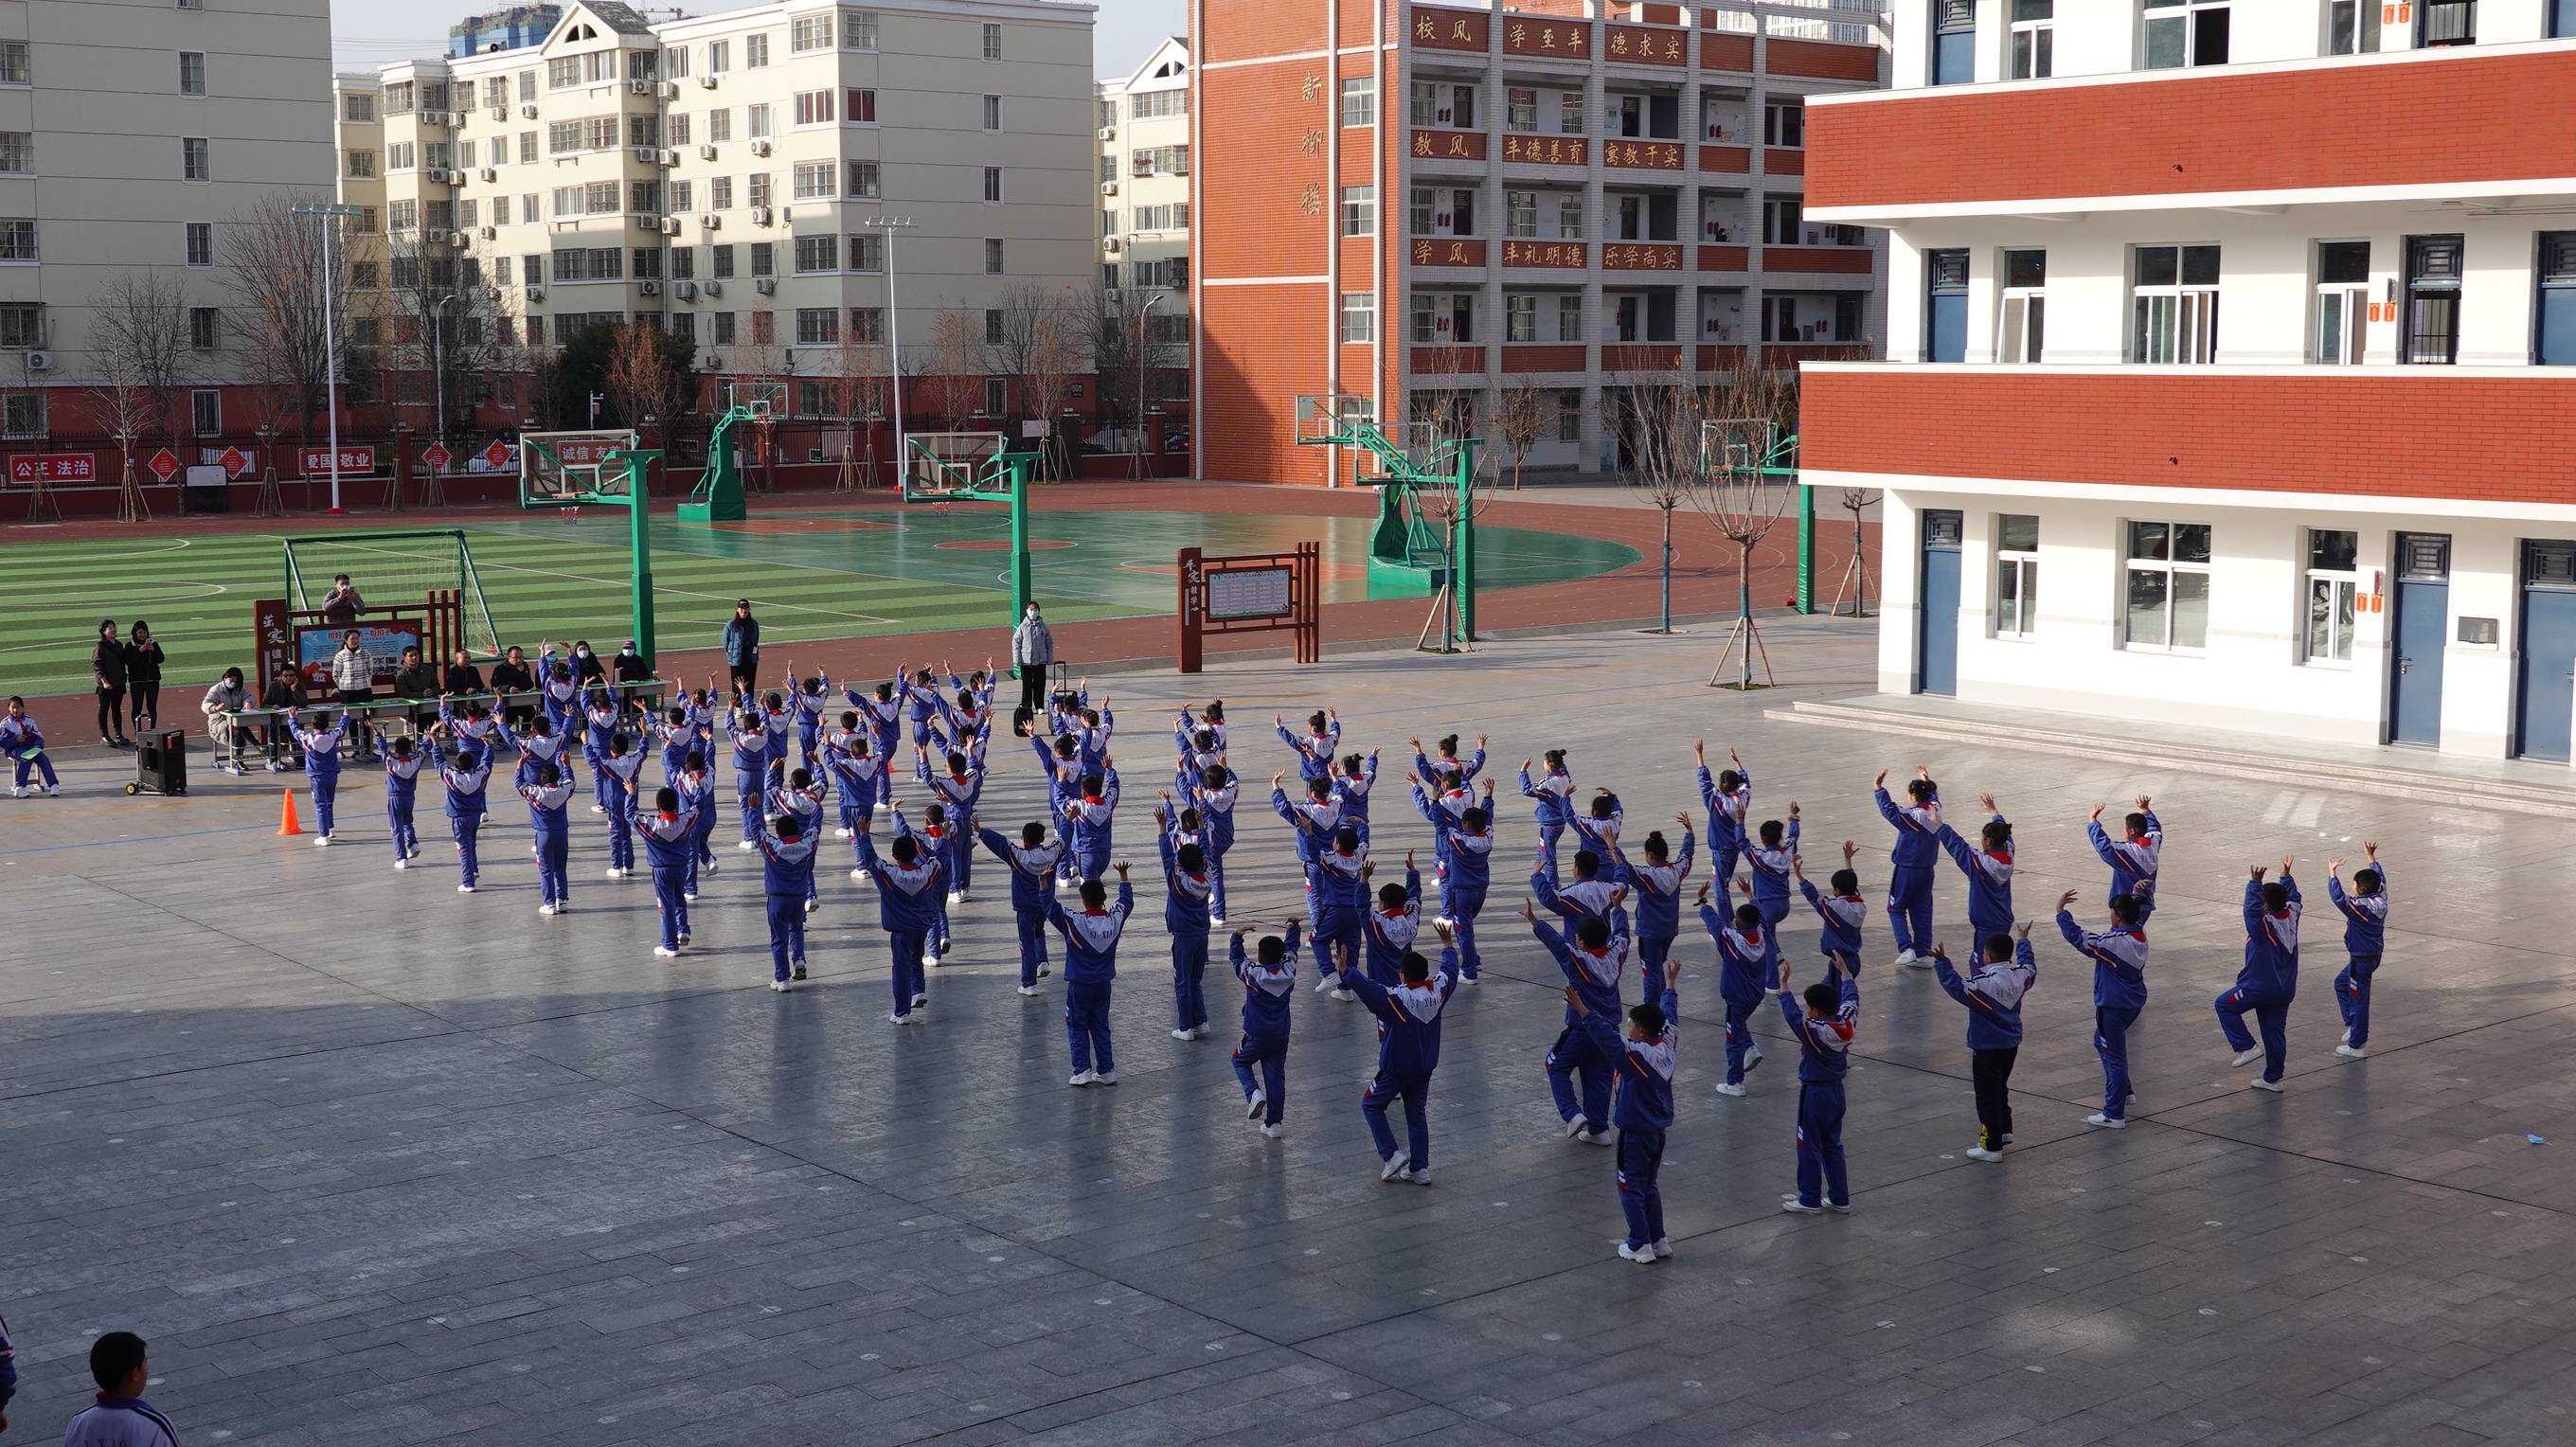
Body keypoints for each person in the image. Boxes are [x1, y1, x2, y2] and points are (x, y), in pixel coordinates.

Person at [1572, 956, 1680, 1263]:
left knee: (1629, 1185)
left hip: (1634, 1131)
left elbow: (1609, 1041)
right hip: (1658, 1130)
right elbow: (1670, 1015)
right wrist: (1670, 986)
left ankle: (1639, 1243)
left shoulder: (1637, 1056)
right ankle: (1659, 1239)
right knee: (1649, 1184)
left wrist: (1582, 1010)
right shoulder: (1668, 1042)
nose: (1627, 1029)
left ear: (1642, 1032)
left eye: (1631, 1026)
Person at [1339, 928, 1462, 1185]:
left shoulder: (1398, 997)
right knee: (1416, 1114)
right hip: (1425, 1065)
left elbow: (1368, 988)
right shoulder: (1437, 992)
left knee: (1371, 1106)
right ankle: (1420, 1168)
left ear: (1403, 975)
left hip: (1396, 1067)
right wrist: (1447, 944)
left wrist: (1346, 971)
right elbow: (1450, 971)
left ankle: (1391, 1154)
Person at [1932, 929, 2037, 1161]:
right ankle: (2004, 1130)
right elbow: (2030, 966)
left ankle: (1991, 1146)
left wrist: (1942, 962)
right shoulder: (2021, 975)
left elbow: (1957, 987)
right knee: (1999, 1086)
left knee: (1986, 1095)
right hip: (2011, 1043)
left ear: (1987, 957)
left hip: (1987, 1046)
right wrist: (2024, 941)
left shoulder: (1983, 984)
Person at [1529, 899, 1627, 1146]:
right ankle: (1599, 1129)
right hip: (1610, 1030)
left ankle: (1572, 1114)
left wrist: (1536, 922)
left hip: (1582, 1029)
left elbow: (1557, 945)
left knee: (1555, 1065)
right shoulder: (1616, 954)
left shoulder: (1578, 960)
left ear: (1581, 941)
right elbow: (1623, 934)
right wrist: (1618, 908)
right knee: (1598, 1077)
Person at [2056, 888, 2148, 1129]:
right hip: (2131, 1003)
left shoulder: (2115, 943)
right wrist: (2139, 892)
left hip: (2112, 1006)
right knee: (2102, 1041)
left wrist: (2061, 913)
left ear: (2118, 915)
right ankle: (2124, 1091)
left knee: (2115, 1056)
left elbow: (2082, 939)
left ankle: (2113, 1113)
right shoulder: (2139, 936)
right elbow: (2142, 909)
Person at [1777, 954, 1859, 1216]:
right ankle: (1839, 1197)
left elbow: (1792, 1017)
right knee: (1832, 1144)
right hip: (1836, 1092)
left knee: (1808, 1144)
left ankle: (1810, 1198)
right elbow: (1852, 1000)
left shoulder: (1813, 1029)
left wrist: (1784, 987)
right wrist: (1846, 974)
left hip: (1815, 1094)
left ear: (1815, 1010)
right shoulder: (1845, 1022)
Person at [2219, 857, 2304, 1091]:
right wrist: (2286, 877)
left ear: (2265, 905)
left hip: (2258, 986)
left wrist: (2254, 884)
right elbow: (2294, 898)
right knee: (2274, 1032)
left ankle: (2245, 1046)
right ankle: (2272, 1078)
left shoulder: (2263, 927)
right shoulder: (2292, 916)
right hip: (2284, 988)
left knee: (2224, 1005)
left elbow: (2250, 912)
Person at [1048, 865, 1135, 1085]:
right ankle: (1106, 1070)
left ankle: (1082, 1070)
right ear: (1105, 898)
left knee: (1077, 1025)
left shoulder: (1076, 922)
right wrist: (1123, 877)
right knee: (1100, 1025)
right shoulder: (1114, 921)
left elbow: (1051, 909)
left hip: (1079, 985)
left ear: (1084, 901)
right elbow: (1126, 903)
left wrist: (1043, 884)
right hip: (1103, 983)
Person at [855, 813, 945, 1019]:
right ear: (916, 854)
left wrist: (864, 835)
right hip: (921, 926)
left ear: (895, 857)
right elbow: (941, 858)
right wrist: (945, 839)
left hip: (901, 930)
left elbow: (871, 859)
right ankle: (918, 991)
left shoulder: (890, 874)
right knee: (916, 958)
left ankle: (901, 1012)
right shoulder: (927, 872)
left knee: (901, 968)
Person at [1703, 880, 1775, 1098]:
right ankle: (1751, 1048)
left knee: (1732, 1038)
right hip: (1755, 993)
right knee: (1738, 1021)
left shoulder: (1732, 939)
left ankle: (1735, 1082)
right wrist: (1749, 894)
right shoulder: (1761, 935)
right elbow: (1760, 915)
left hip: (1737, 996)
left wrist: (1703, 903)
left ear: (1739, 922)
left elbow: (1714, 924)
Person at [1229, 921, 1301, 1137]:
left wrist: (1236, 937)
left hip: (1256, 1034)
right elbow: (1291, 951)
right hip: (1280, 1034)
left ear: (1260, 956)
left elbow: (1237, 961)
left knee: (1239, 1060)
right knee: (1276, 1077)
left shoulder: (1254, 975)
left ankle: (1253, 1094)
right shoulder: (1289, 970)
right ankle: (1274, 1124)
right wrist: (1293, 928)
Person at [978, 816, 1064, 995]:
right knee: (1039, 932)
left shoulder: (1020, 856)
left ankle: (1029, 983)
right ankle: (1043, 961)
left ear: (1024, 840)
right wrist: (1068, 821)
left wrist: (981, 831)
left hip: (1025, 907)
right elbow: (1063, 840)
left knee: (1027, 943)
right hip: (1045, 904)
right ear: (1042, 839)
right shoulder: (1051, 854)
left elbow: (1001, 843)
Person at [1154, 801, 1216, 1039]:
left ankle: (1185, 1027)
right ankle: (1201, 1021)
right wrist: (1200, 826)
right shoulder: (1207, 875)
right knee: (1195, 980)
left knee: (1182, 981)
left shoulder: (1176, 880)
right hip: (1202, 932)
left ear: (1181, 863)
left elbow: (1166, 855)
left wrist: (1162, 828)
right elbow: (1206, 851)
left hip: (1183, 934)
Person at [1872, 765, 1942, 966]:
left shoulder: (1911, 816)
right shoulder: (1936, 810)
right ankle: (1924, 952)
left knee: (1896, 908)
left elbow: (1890, 811)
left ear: (1913, 795)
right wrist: (1925, 779)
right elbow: (1934, 797)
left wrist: (1879, 788)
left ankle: (1906, 948)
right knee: (1922, 910)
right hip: (1928, 868)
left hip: (1907, 867)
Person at [61, 1331, 179, 1447]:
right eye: (145, 1364)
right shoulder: (154, 1425)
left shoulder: (79, 1422)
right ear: (134, 1374)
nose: (147, 1370)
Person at [1619, 819, 1695, 997]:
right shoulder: (1677, 871)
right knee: (1657, 965)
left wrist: (1613, 847)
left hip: (1649, 931)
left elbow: (1625, 867)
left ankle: (1653, 1009)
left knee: (1650, 971)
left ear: (1650, 855)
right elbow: (1687, 855)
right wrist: (1689, 834)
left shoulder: (1648, 875)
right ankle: (1662, 998)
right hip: (1669, 929)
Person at [2328, 845, 2388, 1060]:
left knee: (2359, 999)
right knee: (2340, 983)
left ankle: (2357, 1044)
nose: (2351, 887)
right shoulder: (2381, 899)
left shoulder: (2359, 908)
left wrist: (2332, 875)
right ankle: (2352, 1025)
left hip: (2361, 958)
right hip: (2371, 955)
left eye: (2353, 884)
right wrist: (2372, 859)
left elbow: (2339, 899)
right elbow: (2381, 879)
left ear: (2360, 890)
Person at [1936, 793, 2015, 944]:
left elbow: (1958, 846)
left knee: (1983, 964)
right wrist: (1994, 812)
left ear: (1988, 841)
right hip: (2003, 918)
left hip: (1986, 924)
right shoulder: (2009, 853)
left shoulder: (1981, 863)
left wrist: (1939, 825)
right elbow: (2005, 833)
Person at [754, 809, 818, 991]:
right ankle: (798, 958)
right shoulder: (807, 846)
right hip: (799, 897)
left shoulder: (773, 847)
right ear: (797, 831)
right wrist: (816, 806)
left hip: (777, 898)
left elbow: (756, 830)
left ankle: (782, 978)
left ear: (778, 833)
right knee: (796, 928)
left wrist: (754, 809)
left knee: (778, 938)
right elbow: (815, 827)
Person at [640, 786, 698, 956]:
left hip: (661, 869)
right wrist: (699, 790)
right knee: (680, 898)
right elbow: (696, 808)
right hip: (681, 868)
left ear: (657, 805)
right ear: (676, 804)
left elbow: (630, 815)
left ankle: (670, 944)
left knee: (665, 906)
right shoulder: (685, 821)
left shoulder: (652, 824)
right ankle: (683, 930)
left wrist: (630, 794)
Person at [2088, 795, 2163, 922]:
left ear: (2131, 831)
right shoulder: (2153, 842)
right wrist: (2145, 810)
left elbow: (2104, 846)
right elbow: (2155, 828)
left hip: (2126, 907)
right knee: (2136, 935)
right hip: (2146, 903)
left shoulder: (2126, 851)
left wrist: (2093, 821)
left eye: (2125, 828)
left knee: (2124, 937)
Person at [1693, 740, 1752, 893]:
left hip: (1720, 848)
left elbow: (1704, 781)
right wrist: (1737, 761)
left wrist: (1699, 754)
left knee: (1719, 886)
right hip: (1735, 846)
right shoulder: (1743, 798)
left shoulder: (1716, 801)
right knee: (1724, 881)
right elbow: (1745, 781)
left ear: (1721, 784)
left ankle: (1725, 916)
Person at [520, 760, 574, 914]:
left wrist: (520, 766)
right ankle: (562, 900)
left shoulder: (537, 792)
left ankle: (549, 902)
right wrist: (567, 765)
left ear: (542, 778)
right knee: (560, 868)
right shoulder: (564, 790)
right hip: (562, 832)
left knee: (546, 869)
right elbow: (570, 780)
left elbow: (520, 784)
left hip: (544, 833)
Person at [291, 709, 348, 845]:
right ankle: (329, 829)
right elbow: (342, 728)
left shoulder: (309, 739)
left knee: (320, 804)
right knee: (329, 803)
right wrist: (345, 716)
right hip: (332, 775)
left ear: (312, 726)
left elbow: (296, 732)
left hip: (317, 777)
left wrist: (292, 718)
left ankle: (323, 836)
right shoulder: (333, 736)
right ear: (327, 725)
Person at [329, 628, 378, 761]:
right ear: (346, 640)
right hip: (347, 692)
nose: (355, 641)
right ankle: (356, 748)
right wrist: (344, 685)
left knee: (367, 719)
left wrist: (365, 681)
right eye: (352, 639)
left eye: (357, 638)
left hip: (364, 690)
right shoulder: (340, 655)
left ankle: (368, 748)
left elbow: (371, 670)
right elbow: (336, 675)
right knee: (351, 720)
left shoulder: (366, 653)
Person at [1518, 750, 1574, 866]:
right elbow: (1563, 768)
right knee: (1543, 850)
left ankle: (1551, 882)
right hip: (1560, 821)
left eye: (1544, 762)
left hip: (1549, 823)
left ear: (1550, 764)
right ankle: (1542, 874)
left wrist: (1523, 771)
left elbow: (1527, 790)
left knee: (1548, 857)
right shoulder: (1565, 777)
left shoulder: (1547, 783)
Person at [3, 696, 61, 797]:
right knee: (26, 758)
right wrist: (15, 740)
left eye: (18, 707)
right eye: (13, 707)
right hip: (14, 749)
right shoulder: (5, 724)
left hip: (30, 748)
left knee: (43, 758)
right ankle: (20, 787)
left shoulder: (29, 721)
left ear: (23, 708)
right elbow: (3, 742)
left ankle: (53, 785)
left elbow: (38, 736)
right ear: (9, 708)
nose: (16, 710)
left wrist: (38, 746)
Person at [200, 667, 254, 775]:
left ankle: (239, 758)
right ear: (225, 678)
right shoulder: (216, 689)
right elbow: (205, 705)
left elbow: (249, 697)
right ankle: (256, 746)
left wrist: (248, 702)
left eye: (236, 681)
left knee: (239, 728)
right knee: (238, 728)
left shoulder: (240, 689)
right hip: (219, 722)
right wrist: (215, 708)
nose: (233, 683)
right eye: (231, 680)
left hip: (236, 720)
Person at [384, 736, 425, 868]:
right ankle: (412, 843)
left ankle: (401, 857)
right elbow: (425, 748)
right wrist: (431, 734)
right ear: (410, 749)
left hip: (395, 796)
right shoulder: (415, 761)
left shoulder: (391, 761)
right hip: (409, 796)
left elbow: (383, 749)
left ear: (395, 749)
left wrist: (377, 734)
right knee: (407, 821)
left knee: (396, 827)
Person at [92, 616, 132, 748]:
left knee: (116, 709)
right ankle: (104, 735)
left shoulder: (119, 645)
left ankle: (118, 734)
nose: (113, 630)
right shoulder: (100, 647)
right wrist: (104, 681)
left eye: (114, 627)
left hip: (118, 682)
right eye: (109, 628)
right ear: (103, 631)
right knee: (104, 709)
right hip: (106, 684)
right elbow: (97, 665)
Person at [257, 665, 305, 770]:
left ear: (295, 676)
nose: (288, 678)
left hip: (292, 719)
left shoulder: (299, 686)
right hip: (276, 719)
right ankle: (274, 759)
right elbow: (265, 703)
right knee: (273, 731)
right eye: (286, 675)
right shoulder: (274, 686)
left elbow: (304, 704)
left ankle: (300, 760)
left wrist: (294, 690)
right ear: (281, 676)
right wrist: (272, 706)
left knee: (296, 732)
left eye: (291, 675)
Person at [1012, 601, 1055, 716]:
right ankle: (1026, 706)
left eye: (1035, 609)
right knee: (1026, 685)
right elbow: (1016, 642)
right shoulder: (1022, 627)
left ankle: (1039, 706)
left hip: (1040, 661)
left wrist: (1050, 659)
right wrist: (1017, 659)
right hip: (1026, 661)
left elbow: (1049, 643)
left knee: (1040, 685)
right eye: (1031, 609)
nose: (1033, 612)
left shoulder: (1043, 626)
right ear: (1027, 611)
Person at [123, 620, 165, 733]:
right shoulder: (129, 645)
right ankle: (138, 731)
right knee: (137, 706)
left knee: (152, 706)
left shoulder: (153, 643)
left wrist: (153, 650)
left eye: (144, 632)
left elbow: (161, 659)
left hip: (153, 679)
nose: (142, 635)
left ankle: (153, 730)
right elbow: (128, 661)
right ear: (135, 633)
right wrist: (140, 650)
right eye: (140, 632)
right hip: (137, 681)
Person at [722, 598, 761, 698]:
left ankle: (749, 706)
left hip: (750, 659)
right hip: (736, 659)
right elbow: (725, 642)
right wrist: (731, 653)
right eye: (742, 608)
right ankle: (739, 708)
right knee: (736, 685)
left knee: (749, 684)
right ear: (737, 609)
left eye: (746, 608)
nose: (744, 611)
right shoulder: (731, 624)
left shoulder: (754, 624)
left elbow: (755, 640)